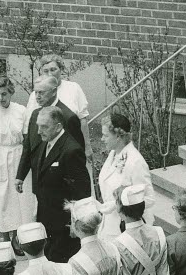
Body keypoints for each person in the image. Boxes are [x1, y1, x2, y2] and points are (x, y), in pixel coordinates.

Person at [15, 81, 88, 262]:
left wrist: (75, 223)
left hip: (64, 227)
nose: (39, 132)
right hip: (46, 219)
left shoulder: (71, 151)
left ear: (58, 126)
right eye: (38, 126)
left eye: (44, 127)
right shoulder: (45, 143)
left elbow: (82, 192)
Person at [0, 76, 36, 253]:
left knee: (20, 198)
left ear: (11, 92)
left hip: (17, 155)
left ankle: (18, 237)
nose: (0, 98)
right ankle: (5, 239)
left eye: (4, 94)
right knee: (2, 197)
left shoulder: (21, 111)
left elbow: (27, 137)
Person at [96, 111, 154, 239]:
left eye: (105, 135)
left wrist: (118, 205)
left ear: (118, 136)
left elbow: (149, 198)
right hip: (110, 225)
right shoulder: (114, 154)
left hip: (127, 230)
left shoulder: (135, 161)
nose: (102, 139)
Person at [22, 53, 90, 130]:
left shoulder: (74, 88)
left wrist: (86, 142)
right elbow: (29, 122)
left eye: (53, 70)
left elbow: (82, 118)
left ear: (60, 69)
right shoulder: (36, 94)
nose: (50, 74)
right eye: (46, 71)